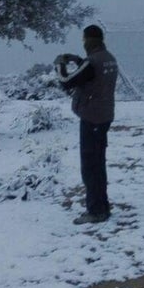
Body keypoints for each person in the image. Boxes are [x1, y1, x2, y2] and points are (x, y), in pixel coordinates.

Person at [55, 24, 119, 225]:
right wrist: (78, 60)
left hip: (92, 118)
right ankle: (102, 206)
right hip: (104, 115)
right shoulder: (109, 58)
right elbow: (92, 74)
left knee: (90, 167)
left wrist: (59, 64)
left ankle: (96, 210)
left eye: (84, 39)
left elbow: (66, 81)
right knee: (98, 164)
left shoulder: (92, 62)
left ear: (88, 40)